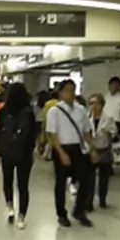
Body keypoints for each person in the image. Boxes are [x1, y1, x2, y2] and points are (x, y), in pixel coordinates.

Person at [46, 79, 97, 228]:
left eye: (72, 90)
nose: (70, 94)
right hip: (62, 148)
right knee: (61, 183)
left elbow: (87, 131)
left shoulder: (80, 109)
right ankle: (61, 214)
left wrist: (92, 149)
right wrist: (61, 153)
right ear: (60, 93)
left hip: (78, 148)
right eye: (67, 91)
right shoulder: (54, 111)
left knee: (87, 180)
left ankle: (79, 210)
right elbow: (52, 135)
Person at [0, 83, 36, 229]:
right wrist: (31, 152)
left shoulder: (3, 112)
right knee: (23, 185)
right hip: (24, 154)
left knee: (8, 180)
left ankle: (10, 206)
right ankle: (22, 216)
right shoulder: (29, 113)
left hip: (7, 152)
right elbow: (32, 136)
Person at [87, 93, 117, 211]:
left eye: (96, 103)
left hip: (104, 150)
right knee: (89, 178)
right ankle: (88, 202)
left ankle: (102, 199)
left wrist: (108, 131)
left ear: (101, 105)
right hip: (91, 150)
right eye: (91, 103)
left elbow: (114, 132)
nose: (93, 106)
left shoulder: (108, 117)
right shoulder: (87, 116)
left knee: (104, 178)